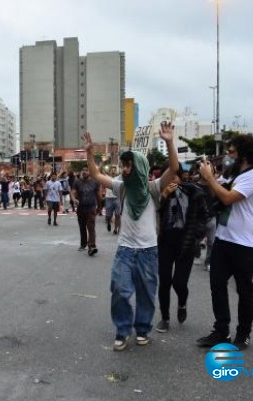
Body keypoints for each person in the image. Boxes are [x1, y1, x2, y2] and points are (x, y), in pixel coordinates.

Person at [83, 121, 179, 351]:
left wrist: (169, 141)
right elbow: (96, 173)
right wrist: (89, 153)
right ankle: (122, 330)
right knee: (120, 289)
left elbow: (174, 169)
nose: (124, 170)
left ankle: (143, 329)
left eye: (128, 166)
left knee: (146, 294)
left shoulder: (154, 189)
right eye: (123, 165)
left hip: (148, 251)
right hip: (125, 250)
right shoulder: (121, 187)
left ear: (139, 167)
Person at [196, 135, 253, 350]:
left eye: (232, 152)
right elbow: (217, 195)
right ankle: (221, 330)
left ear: (244, 154)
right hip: (224, 239)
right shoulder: (235, 174)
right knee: (217, 285)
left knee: (244, 290)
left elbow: (227, 198)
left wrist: (210, 179)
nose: (228, 155)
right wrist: (209, 179)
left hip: (245, 244)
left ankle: (243, 333)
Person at [155, 165, 209, 333]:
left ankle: (182, 303)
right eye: (168, 177)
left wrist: (196, 235)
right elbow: (153, 213)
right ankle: (164, 317)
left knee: (179, 282)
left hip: (186, 242)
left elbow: (204, 216)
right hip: (165, 241)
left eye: (174, 177)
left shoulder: (195, 192)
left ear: (181, 177)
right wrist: (163, 196)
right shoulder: (161, 193)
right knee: (164, 281)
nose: (171, 180)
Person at [70, 167, 101, 256]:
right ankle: (83, 244)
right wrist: (74, 199)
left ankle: (92, 246)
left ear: (89, 172)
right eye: (83, 170)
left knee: (91, 227)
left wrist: (99, 207)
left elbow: (98, 195)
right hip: (81, 208)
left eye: (86, 170)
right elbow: (73, 192)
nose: (84, 172)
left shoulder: (95, 182)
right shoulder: (77, 182)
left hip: (91, 208)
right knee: (82, 226)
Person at [104, 166, 121, 234]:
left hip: (117, 198)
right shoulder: (106, 177)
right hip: (109, 198)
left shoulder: (119, 177)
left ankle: (116, 229)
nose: (113, 171)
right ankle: (108, 222)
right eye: (112, 170)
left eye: (114, 170)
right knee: (108, 215)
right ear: (110, 171)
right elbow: (100, 171)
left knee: (117, 214)